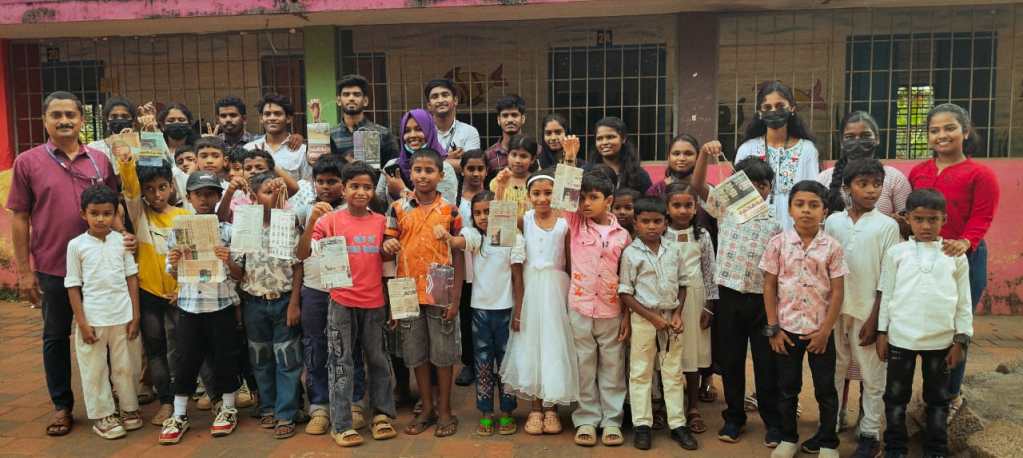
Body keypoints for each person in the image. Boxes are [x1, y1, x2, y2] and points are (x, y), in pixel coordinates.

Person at [7, 91, 125, 436]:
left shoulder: (100, 160)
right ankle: (62, 405)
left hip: (101, 267)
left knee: (103, 331)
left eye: (70, 115)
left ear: (81, 119)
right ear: (45, 121)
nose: (64, 121)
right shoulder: (28, 162)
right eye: (56, 115)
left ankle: (107, 399)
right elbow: (19, 217)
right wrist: (25, 271)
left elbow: (113, 205)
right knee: (55, 336)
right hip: (53, 265)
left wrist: (122, 237)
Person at [298, 161, 399, 447]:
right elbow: (303, 252)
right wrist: (310, 223)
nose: (361, 192)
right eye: (355, 186)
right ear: (343, 188)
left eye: (367, 187)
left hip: (374, 302)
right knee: (340, 362)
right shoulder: (329, 220)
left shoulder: (381, 222)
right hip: (340, 301)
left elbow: (388, 266)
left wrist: (389, 249)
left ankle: (381, 415)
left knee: (378, 360)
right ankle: (341, 423)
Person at [907, 103, 999, 413]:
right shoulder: (919, 172)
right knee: (929, 326)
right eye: (935, 130)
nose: (942, 135)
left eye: (950, 128)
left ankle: (951, 395)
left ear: (966, 131)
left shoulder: (980, 173)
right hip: (924, 261)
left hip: (964, 259)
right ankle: (933, 391)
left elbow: (982, 216)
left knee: (958, 329)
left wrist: (966, 242)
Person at [691, 141, 783, 446]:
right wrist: (705, 155)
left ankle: (773, 421)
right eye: (750, 183)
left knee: (765, 362)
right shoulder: (725, 208)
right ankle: (734, 418)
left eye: (763, 184)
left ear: (771, 188)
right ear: (737, 185)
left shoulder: (777, 222)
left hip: (762, 300)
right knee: (731, 361)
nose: (757, 189)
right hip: (728, 296)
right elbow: (697, 185)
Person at [877, 188, 973, 458]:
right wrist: (882, 332)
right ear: (908, 218)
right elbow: (888, 295)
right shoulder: (897, 253)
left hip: (941, 341)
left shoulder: (955, 255)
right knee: (895, 397)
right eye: (919, 219)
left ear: (944, 219)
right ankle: (895, 448)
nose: (926, 226)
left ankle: (936, 450)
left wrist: (961, 339)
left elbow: (964, 301)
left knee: (938, 401)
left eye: (933, 219)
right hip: (900, 338)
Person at [817, 157, 900, 457]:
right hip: (836, 310)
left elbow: (888, 278)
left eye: (877, 184)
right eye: (863, 184)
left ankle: (869, 433)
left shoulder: (887, 226)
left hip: (867, 311)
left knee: (872, 374)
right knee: (835, 370)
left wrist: (877, 321)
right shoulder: (834, 221)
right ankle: (832, 424)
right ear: (847, 187)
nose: (871, 191)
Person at [381, 148, 465, 438]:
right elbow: (388, 251)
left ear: (441, 175)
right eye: (418, 170)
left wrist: (455, 299)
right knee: (416, 354)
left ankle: (445, 410)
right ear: (410, 174)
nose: (423, 175)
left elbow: (459, 255)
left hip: (440, 290)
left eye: (430, 170)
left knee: (443, 355)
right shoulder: (398, 209)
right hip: (406, 290)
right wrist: (387, 247)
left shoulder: (450, 211)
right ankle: (427, 408)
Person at [761, 180, 848, 458]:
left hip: (818, 332)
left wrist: (825, 331)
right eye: (800, 204)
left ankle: (827, 442)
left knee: (825, 390)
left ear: (824, 211)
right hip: (786, 330)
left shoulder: (832, 247)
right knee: (787, 389)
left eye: (814, 205)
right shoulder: (778, 244)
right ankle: (788, 438)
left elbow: (837, 293)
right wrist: (773, 328)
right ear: (789, 209)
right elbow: (769, 286)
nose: (806, 211)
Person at [159, 171, 245, 445]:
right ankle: (180, 412)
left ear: (219, 197)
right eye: (199, 194)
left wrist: (228, 259)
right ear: (189, 197)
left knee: (225, 357)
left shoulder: (229, 231)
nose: (205, 199)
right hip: (189, 306)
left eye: (210, 194)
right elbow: (173, 274)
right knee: (186, 360)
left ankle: (228, 407)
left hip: (221, 306)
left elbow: (240, 273)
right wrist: (173, 261)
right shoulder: (178, 230)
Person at [112, 148, 190, 426]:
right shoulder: (140, 214)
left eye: (162, 187)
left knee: (184, 348)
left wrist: (181, 289)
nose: (157, 195)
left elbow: (193, 256)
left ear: (171, 186)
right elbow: (130, 190)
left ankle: (187, 398)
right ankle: (166, 402)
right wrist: (125, 162)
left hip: (181, 294)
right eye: (150, 190)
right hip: (148, 293)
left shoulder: (184, 214)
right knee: (155, 350)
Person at [619, 196, 699, 451]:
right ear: (636, 223)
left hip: (671, 320)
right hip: (644, 319)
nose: (651, 227)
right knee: (641, 371)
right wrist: (651, 317)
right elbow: (625, 293)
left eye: (657, 221)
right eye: (645, 222)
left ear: (666, 222)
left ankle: (678, 424)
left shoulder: (673, 250)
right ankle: (642, 425)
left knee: (673, 373)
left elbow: (684, 284)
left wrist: (677, 314)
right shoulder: (631, 254)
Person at [65, 185, 143, 439]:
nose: (101, 219)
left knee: (126, 365)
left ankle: (130, 408)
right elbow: (73, 285)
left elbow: (132, 278)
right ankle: (103, 414)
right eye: (94, 213)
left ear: (115, 213)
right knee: (94, 367)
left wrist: (136, 314)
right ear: (83, 214)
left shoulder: (122, 241)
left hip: (123, 315)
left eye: (107, 213)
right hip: (93, 317)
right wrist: (82, 322)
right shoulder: (76, 246)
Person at [232, 172, 304, 439]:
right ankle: (268, 406)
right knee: (260, 358)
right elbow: (238, 272)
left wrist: (295, 303)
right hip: (253, 302)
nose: (272, 196)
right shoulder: (245, 225)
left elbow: (298, 266)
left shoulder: (287, 223)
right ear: (252, 196)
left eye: (275, 192)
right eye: (265, 192)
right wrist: (225, 258)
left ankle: (285, 412)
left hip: (284, 299)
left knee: (287, 358)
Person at [447, 191, 524, 436]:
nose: (483, 217)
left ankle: (508, 412)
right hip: (480, 311)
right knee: (482, 362)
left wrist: (519, 311)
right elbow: (459, 242)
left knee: (505, 362)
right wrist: (446, 236)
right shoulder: (474, 237)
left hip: (506, 311)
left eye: (488, 211)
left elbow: (517, 277)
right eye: (478, 213)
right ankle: (485, 412)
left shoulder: (512, 237)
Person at [564, 171, 631, 447]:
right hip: (580, 307)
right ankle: (586, 419)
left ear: (609, 200)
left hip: (611, 310)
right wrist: (569, 160)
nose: (586, 204)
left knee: (613, 366)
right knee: (584, 365)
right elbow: (563, 197)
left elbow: (628, 279)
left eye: (593, 198)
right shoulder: (576, 225)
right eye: (582, 198)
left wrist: (627, 314)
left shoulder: (623, 236)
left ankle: (612, 420)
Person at [291, 155, 347, 436]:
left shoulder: (354, 209)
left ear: (343, 184)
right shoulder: (304, 211)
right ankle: (319, 406)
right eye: (321, 181)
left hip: (348, 289)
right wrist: (313, 219)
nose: (326, 187)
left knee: (348, 347)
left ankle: (352, 403)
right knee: (315, 347)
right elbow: (300, 255)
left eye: (333, 181)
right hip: (314, 289)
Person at [663, 182, 719, 436]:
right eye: (677, 205)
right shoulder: (660, 232)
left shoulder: (702, 235)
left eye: (688, 205)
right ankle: (664, 405)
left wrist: (709, 306)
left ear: (696, 208)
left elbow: (709, 270)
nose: (683, 210)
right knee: (667, 353)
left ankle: (693, 407)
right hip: (666, 299)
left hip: (695, 299)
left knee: (692, 355)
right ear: (667, 207)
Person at [734, 81, 820, 230]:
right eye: (767, 107)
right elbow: (739, 197)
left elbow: (812, 191)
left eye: (780, 106)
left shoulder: (808, 149)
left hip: (795, 225)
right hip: (755, 227)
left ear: (792, 108)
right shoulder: (747, 149)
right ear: (759, 113)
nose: (773, 111)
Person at [818, 111, 911, 216]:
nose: (857, 141)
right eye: (850, 137)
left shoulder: (895, 178)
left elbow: (908, 220)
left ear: (877, 139)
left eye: (865, 135)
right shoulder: (824, 178)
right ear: (841, 142)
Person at [454, 150, 488, 387]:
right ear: (462, 170)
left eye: (480, 169)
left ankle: (492, 364)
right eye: (471, 169)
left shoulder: (493, 196)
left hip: (491, 265)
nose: (475, 173)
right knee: (466, 314)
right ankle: (470, 363)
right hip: (464, 266)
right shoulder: (455, 199)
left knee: (490, 315)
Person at [377, 109, 459, 205]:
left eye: (419, 129)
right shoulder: (392, 165)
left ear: (429, 131)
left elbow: (444, 213)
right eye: (407, 131)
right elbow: (378, 206)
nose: (412, 135)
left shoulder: (443, 168)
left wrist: (402, 191)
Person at [328, 74, 399, 165]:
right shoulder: (331, 136)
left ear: (365, 101)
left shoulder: (383, 134)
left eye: (356, 94)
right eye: (346, 94)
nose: (351, 98)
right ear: (338, 101)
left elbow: (392, 168)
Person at [245, 93, 308, 181]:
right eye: (267, 114)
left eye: (277, 114)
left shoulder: (301, 150)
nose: (272, 118)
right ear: (261, 118)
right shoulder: (249, 148)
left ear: (289, 118)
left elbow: (307, 185)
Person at [425, 78, 481, 173]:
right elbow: (415, 163)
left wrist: (430, 162)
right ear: (429, 105)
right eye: (435, 97)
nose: (440, 100)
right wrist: (446, 157)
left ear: (455, 100)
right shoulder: (423, 132)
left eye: (445, 95)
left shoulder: (469, 132)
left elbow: (471, 166)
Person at [588, 116, 652, 193]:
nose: (604, 142)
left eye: (610, 137)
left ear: (623, 139)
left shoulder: (638, 175)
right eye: (599, 138)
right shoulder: (587, 171)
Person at [490, 134, 538, 217]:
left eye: (523, 156)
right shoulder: (497, 182)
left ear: (532, 159)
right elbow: (494, 214)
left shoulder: (537, 183)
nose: (517, 160)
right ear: (507, 155)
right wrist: (501, 186)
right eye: (514, 155)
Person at [87, 96, 137, 170]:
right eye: (114, 116)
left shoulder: (139, 147)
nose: (119, 120)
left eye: (125, 116)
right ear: (107, 121)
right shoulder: (94, 148)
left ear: (132, 121)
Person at [485, 95, 527, 173]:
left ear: (523, 119)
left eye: (514, 115)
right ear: (498, 120)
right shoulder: (489, 155)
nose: (510, 120)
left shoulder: (536, 151)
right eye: (505, 115)